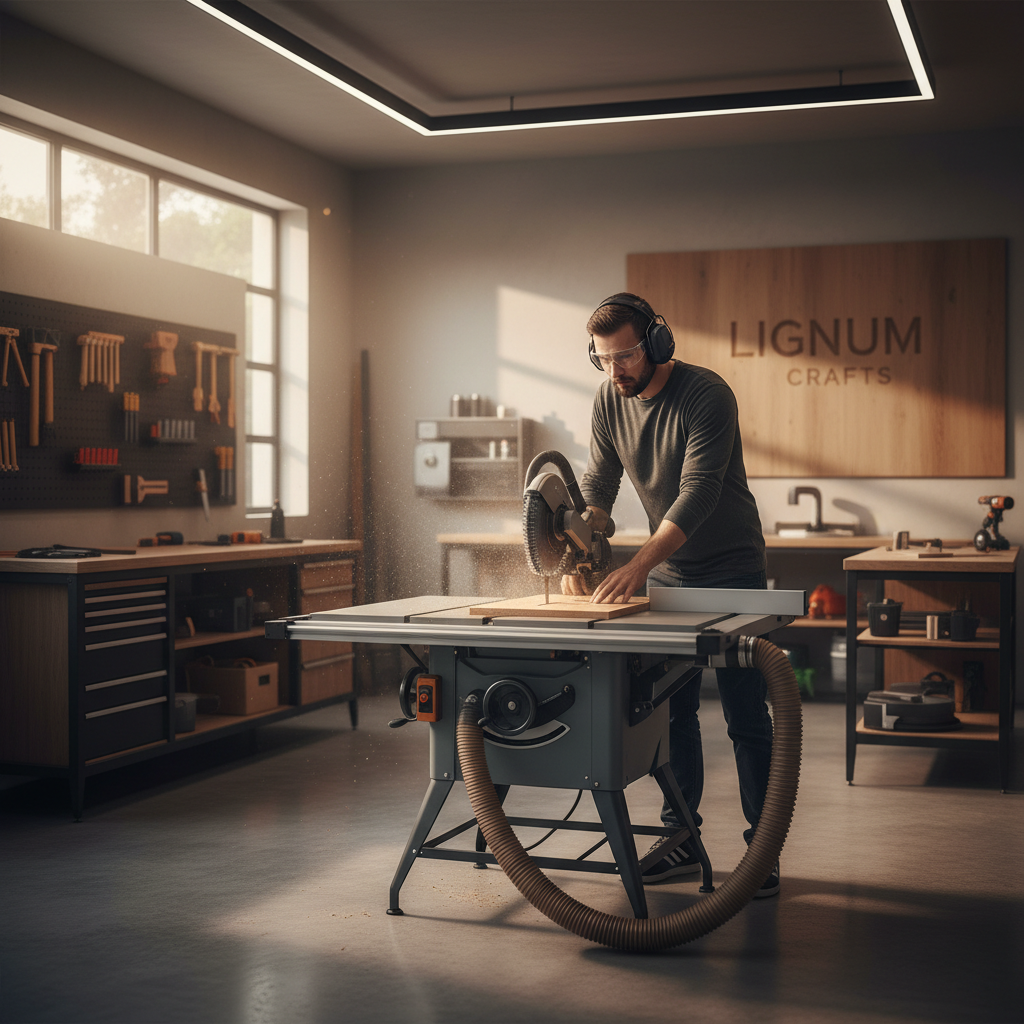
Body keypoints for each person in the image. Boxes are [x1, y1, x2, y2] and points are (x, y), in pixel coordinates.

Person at [563, 292, 778, 898]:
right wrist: (583, 544)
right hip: (669, 571)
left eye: (626, 355)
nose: (615, 370)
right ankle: (680, 837)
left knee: (744, 715)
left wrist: (637, 565)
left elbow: (698, 491)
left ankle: (762, 850)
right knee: (671, 711)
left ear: (657, 343)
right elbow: (599, 484)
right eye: (603, 359)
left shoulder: (706, 394)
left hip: (732, 569)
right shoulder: (610, 398)